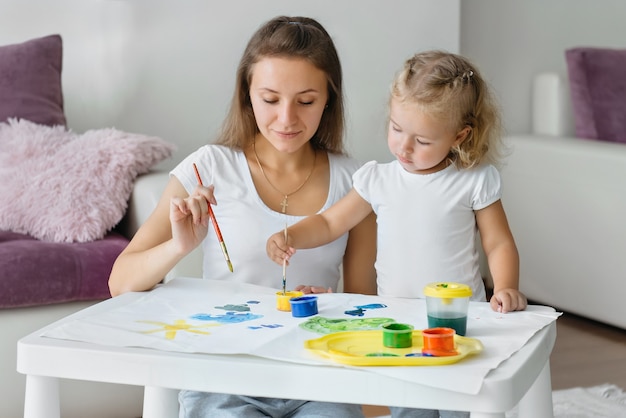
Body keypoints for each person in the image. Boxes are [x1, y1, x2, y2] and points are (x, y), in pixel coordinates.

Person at [109, 15, 376, 418]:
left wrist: (336, 307)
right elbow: (120, 282)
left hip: (320, 377)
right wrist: (179, 248)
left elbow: (364, 306)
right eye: (270, 99)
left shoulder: (356, 182)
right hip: (225, 377)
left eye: (305, 101)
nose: (287, 119)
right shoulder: (208, 168)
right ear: (247, 96)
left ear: (329, 100)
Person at [267, 50, 527, 418]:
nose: (404, 147)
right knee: (410, 409)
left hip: (460, 320)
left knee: (460, 406)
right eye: (396, 128)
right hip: (398, 323)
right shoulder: (379, 179)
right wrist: (291, 235)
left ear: (459, 135)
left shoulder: (473, 180)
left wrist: (506, 286)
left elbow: (498, 241)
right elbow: (329, 223)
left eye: (421, 141)